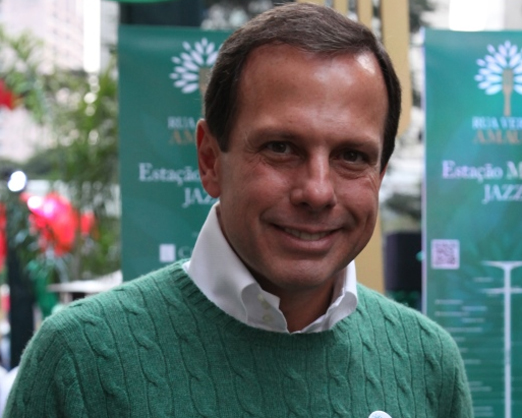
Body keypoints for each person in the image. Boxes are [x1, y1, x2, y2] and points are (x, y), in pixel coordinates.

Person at [4, 3, 473, 417]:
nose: (317, 191)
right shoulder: (80, 361)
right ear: (210, 160)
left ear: (380, 173)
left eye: (352, 156)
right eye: (281, 147)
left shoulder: (428, 363)